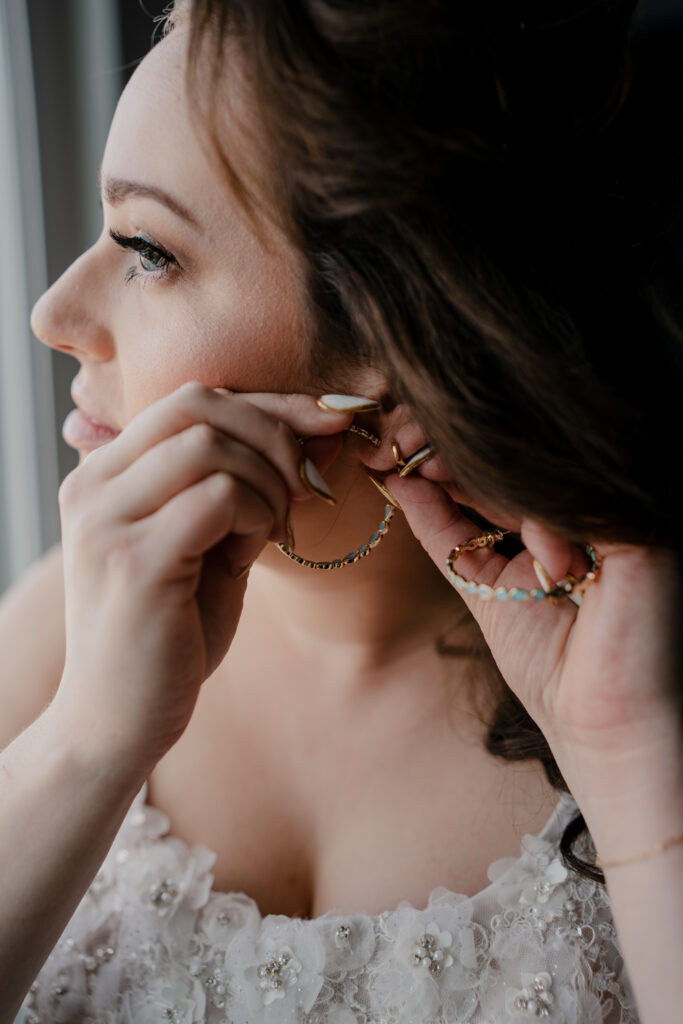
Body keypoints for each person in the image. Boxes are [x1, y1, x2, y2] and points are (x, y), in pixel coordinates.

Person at [1, 1, 681, 1021]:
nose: (51, 312)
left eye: (148, 249)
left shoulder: (633, 674)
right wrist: (86, 741)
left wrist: (631, 767)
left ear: (389, 338)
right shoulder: (58, 629)